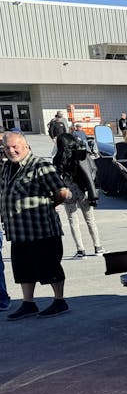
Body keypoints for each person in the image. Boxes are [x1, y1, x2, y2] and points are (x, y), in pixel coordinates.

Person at [0, 130, 72, 318]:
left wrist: (48, 206)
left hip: (41, 229)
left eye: (15, 146)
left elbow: (62, 192)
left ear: (25, 145)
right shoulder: (6, 168)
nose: (11, 150)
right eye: (7, 147)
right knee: (23, 269)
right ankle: (28, 303)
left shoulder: (40, 165)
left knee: (50, 267)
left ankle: (59, 301)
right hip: (18, 231)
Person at [54, 123, 102, 258]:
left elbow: (56, 178)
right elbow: (92, 170)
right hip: (83, 189)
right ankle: (98, 247)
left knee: (72, 220)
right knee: (90, 219)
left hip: (68, 191)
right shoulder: (81, 155)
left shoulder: (57, 159)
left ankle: (81, 250)